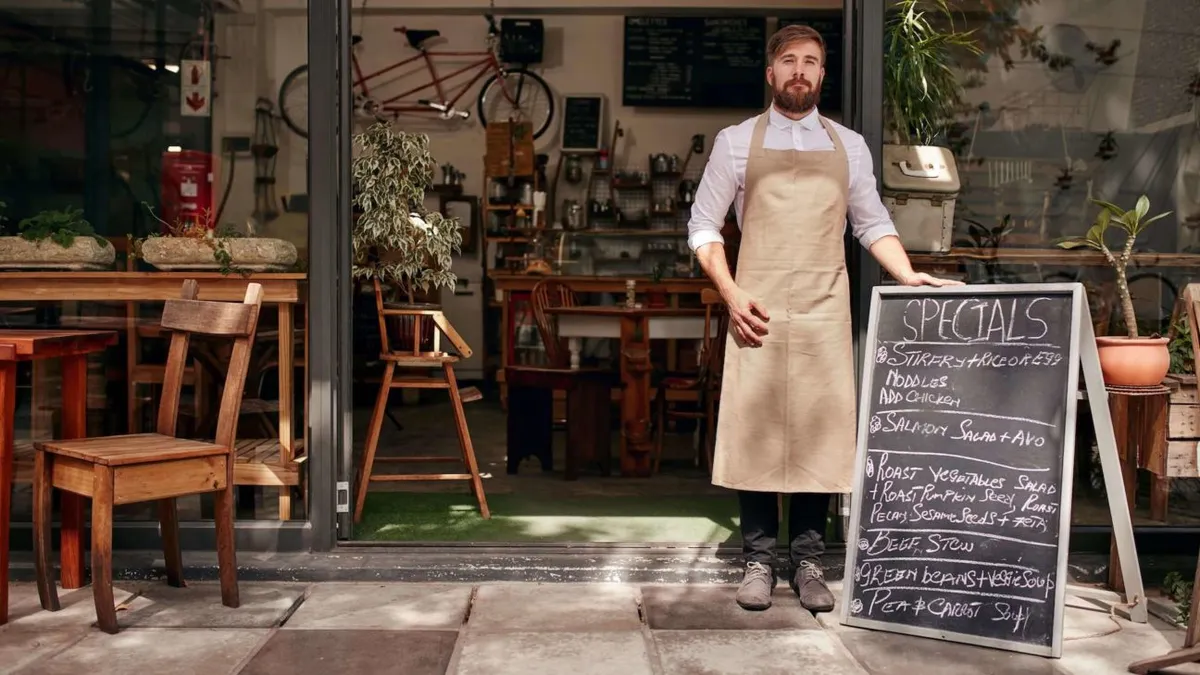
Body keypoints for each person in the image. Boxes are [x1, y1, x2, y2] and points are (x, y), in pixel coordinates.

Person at [686, 24, 962, 613]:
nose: (800, 71)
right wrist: (731, 294)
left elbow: (872, 223)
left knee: (817, 429)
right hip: (756, 309)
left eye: (811, 62)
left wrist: (908, 274)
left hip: (823, 308)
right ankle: (758, 559)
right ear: (770, 73)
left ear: (822, 74)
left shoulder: (850, 146)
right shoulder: (735, 142)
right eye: (789, 61)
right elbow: (703, 227)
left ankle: (809, 560)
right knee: (757, 432)